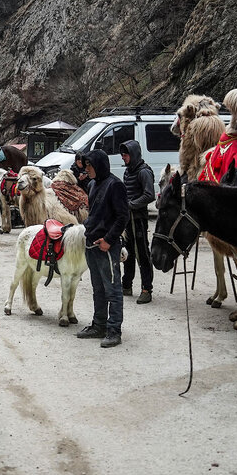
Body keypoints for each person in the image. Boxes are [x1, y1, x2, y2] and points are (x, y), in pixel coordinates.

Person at [75, 149, 129, 348]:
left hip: (106, 247)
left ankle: (114, 330)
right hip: (92, 244)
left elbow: (123, 216)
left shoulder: (115, 186)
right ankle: (99, 325)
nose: (86, 169)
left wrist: (109, 239)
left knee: (112, 289)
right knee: (98, 288)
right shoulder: (92, 184)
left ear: (98, 165)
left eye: (89, 165)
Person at [120, 140, 156, 303]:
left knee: (142, 254)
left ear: (133, 154)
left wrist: (131, 205)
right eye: (122, 154)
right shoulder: (129, 171)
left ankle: (146, 289)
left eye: (126, 154)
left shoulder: (144, 172)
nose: (123, 157)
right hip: (128, 219)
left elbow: (150, 195)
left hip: (139, 219)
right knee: (127, 253)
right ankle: (126, 285)